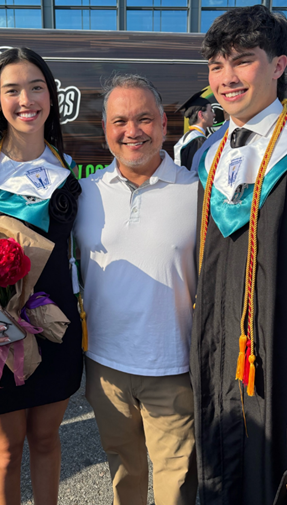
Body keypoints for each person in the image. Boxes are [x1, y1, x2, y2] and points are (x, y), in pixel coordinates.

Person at [190, 4, 287, 505]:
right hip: (223, 353)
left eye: (243, 61)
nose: (227, 78)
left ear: (279, 65)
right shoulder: (209, 157)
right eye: (217, 65)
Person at [0, 47, 83, 505]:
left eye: (36, 87)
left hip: (56, 325)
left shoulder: (66, 168)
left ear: (51, 96)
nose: (26, 100)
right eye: (12, 90)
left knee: (46, 440)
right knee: (5, 451)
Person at [74, 74, 198, 505]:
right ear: (105, 129)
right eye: (120, 120)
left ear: (164, 124)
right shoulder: (84, 194)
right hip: (105, 365)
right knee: (123, 471)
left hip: (173, 365)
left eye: (144, 119)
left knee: (176, 483)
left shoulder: (196, 191)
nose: (133, 131)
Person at [173, 93, 214, 168]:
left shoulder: (186, 138)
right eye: (211, 111)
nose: (214, 115)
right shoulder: (198, 140)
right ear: (201, 114)